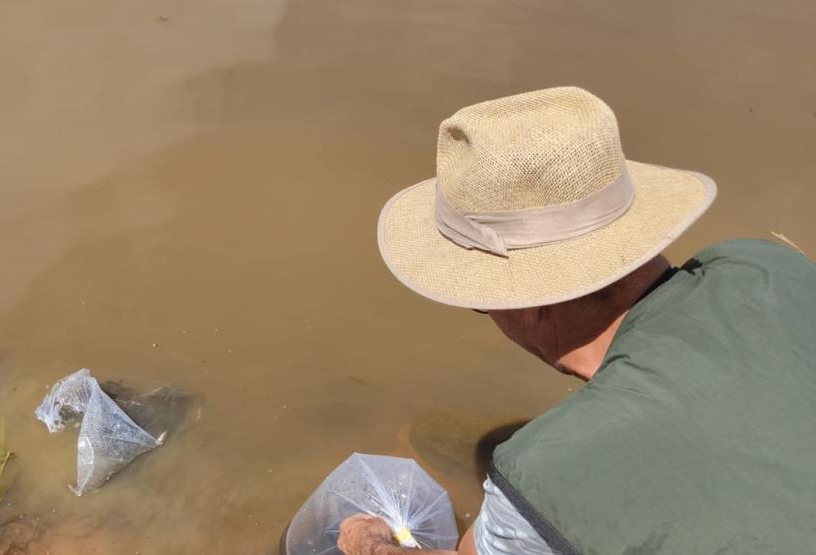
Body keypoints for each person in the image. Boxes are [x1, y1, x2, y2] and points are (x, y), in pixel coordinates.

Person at [337, 87, 816, 554]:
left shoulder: (540, 478)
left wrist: (369, 545)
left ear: (527, 303)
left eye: (481, 302)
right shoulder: (765, 266)